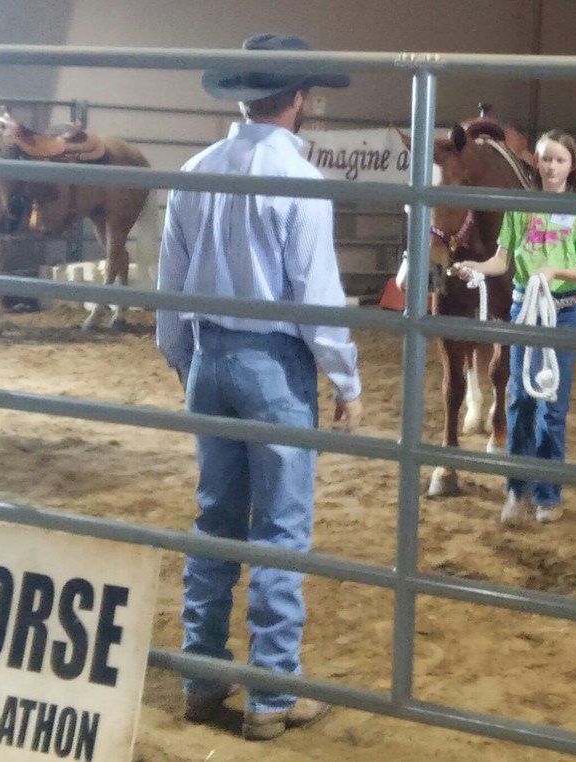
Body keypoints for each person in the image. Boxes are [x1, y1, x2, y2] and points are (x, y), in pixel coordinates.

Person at [156, 33, 363, 741]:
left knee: (215, 521)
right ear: (300, 99)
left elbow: (171, 287)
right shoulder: (301, 181)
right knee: (279, 530)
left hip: (209, 359)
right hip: (273, 366)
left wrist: (185, 358)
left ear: (241, 96)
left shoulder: (196, 167)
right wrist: (347, 379)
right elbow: (318, 300)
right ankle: (272, 695)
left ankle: (201, 679)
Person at [452, 130, 576, 526]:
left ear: (571, 166)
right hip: (525, 309)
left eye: (559, 160)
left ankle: (548, 492)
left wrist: (554, 271)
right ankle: (516, 489)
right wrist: (475, 267)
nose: (552, 167)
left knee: (552, 406)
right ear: (534, 163)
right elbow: (502, 262)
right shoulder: (520, 207)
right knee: (520, 401)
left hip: (563, 310)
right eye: (546, 159)